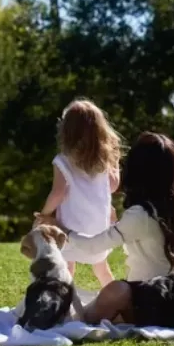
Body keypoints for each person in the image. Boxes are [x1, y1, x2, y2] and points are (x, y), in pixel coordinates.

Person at [34, 131, 174, 323]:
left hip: (148, 302)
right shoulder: (173, 209)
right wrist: (117, 224)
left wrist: (61, 228)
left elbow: (93, 246)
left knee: (114, 291)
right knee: (112, 291)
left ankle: (76, 317)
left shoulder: (141, 214)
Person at [36, 99, 122, 287]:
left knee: (67, 267)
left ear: (67, 131)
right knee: (101, 268)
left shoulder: (62, 161)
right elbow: (113, 186)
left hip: (70, 226)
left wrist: (44, 214)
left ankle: (63, 302)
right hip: (99, 226)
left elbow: (58, 193)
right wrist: (115, 164)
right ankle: (120, 303)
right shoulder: (104, 160)